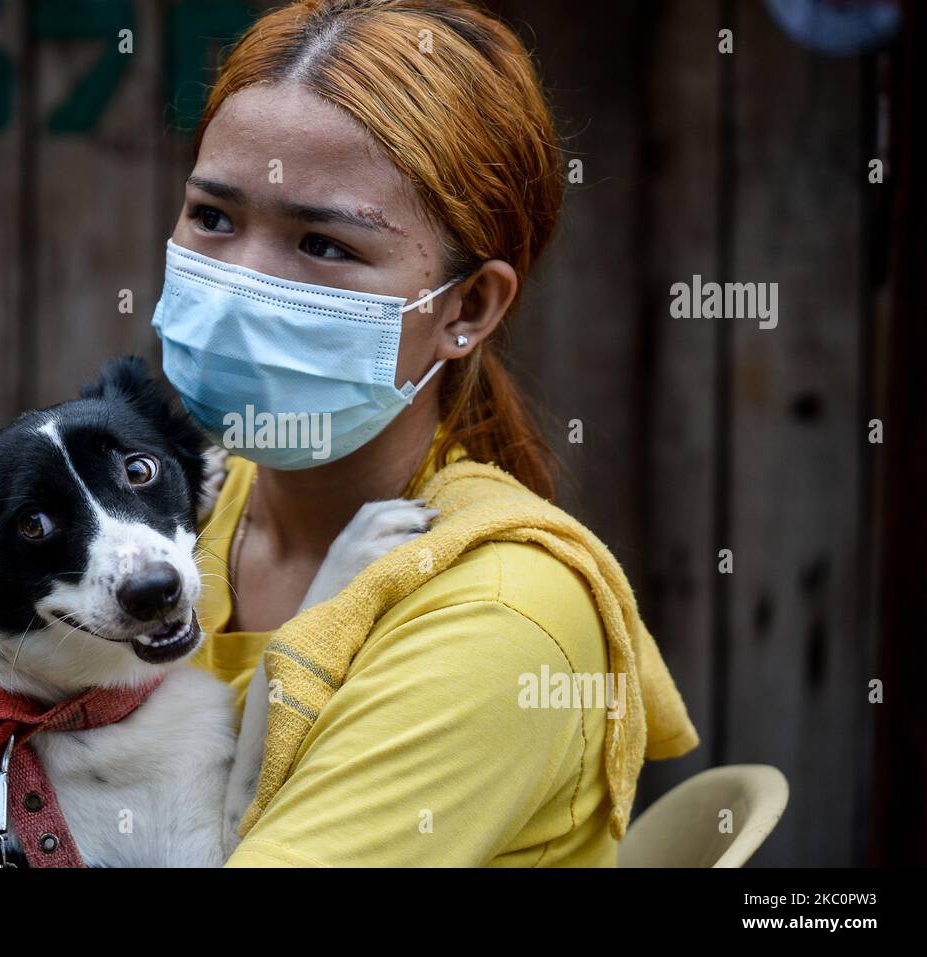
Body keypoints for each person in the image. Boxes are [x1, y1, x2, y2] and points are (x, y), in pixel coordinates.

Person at [149, 0, 697, 867]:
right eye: (213, 217)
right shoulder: (180, 517)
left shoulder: (500, 617)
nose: (238, 285)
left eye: (322, 243)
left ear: (467, 308)